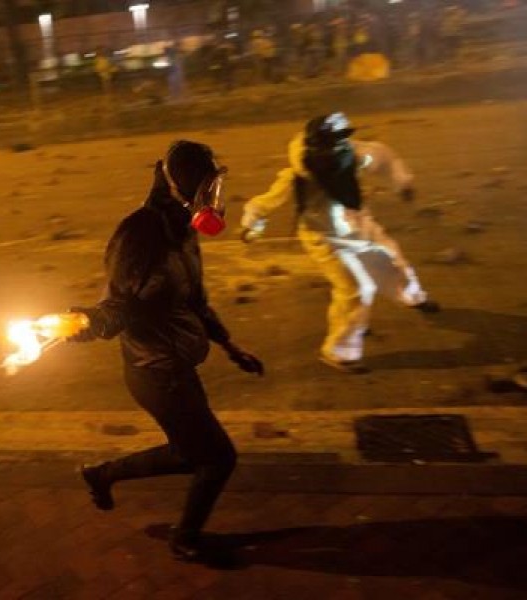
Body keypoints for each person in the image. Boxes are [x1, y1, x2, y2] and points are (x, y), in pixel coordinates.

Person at [71, 140, 264, 563]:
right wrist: (90, 323)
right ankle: (185, 538)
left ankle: (101, 474)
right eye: (208, 187)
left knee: (188, 453)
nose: (214, 199)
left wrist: (231, 346)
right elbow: (120, 303)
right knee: (217, 459)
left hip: (174, 365)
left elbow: (195, 299)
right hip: (156, 372)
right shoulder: (139, 234)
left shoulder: (182, 231)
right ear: (187, 186)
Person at [241, 112, 438, 373]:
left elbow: (382, 157)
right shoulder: (300, 175)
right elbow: (266, 202)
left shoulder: (350, 155)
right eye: (334, 142)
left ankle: (412, 297)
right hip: (324, 239)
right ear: (316, 145)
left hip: (358, 225)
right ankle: (340, 351)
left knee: (391, 259)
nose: (341, 145)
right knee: (356, 288)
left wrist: (402, 182)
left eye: (342, 140)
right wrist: (251, 224)